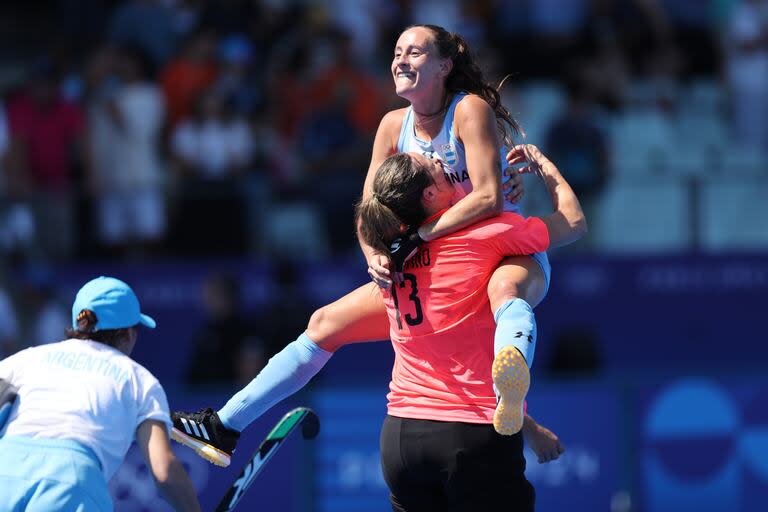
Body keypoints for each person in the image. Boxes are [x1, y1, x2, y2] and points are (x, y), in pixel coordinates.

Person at [172, 24, 557, 466]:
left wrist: (420, 235)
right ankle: (224, 426)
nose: (400, 60)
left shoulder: (468, 111)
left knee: (500, 301)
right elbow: (368, 210)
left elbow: (490, 197)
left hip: (492, 255)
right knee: (322, 325)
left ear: (444, 66)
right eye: (396, 51)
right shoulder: (393, 125)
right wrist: (374, 253)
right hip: (430, 267)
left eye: (414, 52)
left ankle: (518, 404)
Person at [354, 146, 583, 510]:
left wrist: (529, 428)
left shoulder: (387, 258)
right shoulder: (484, 233)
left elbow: (453, 369)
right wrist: (544, 167)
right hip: (470, 435)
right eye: (435, 167)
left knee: (320, 328)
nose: (443, 162)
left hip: (400, 436)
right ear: (429, 195)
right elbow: (572, 223)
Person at [0, 276, 200, 511]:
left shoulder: (23, 360)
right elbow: (164, 470)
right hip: (70, 482)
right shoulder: (140, 380)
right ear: (129, 335)